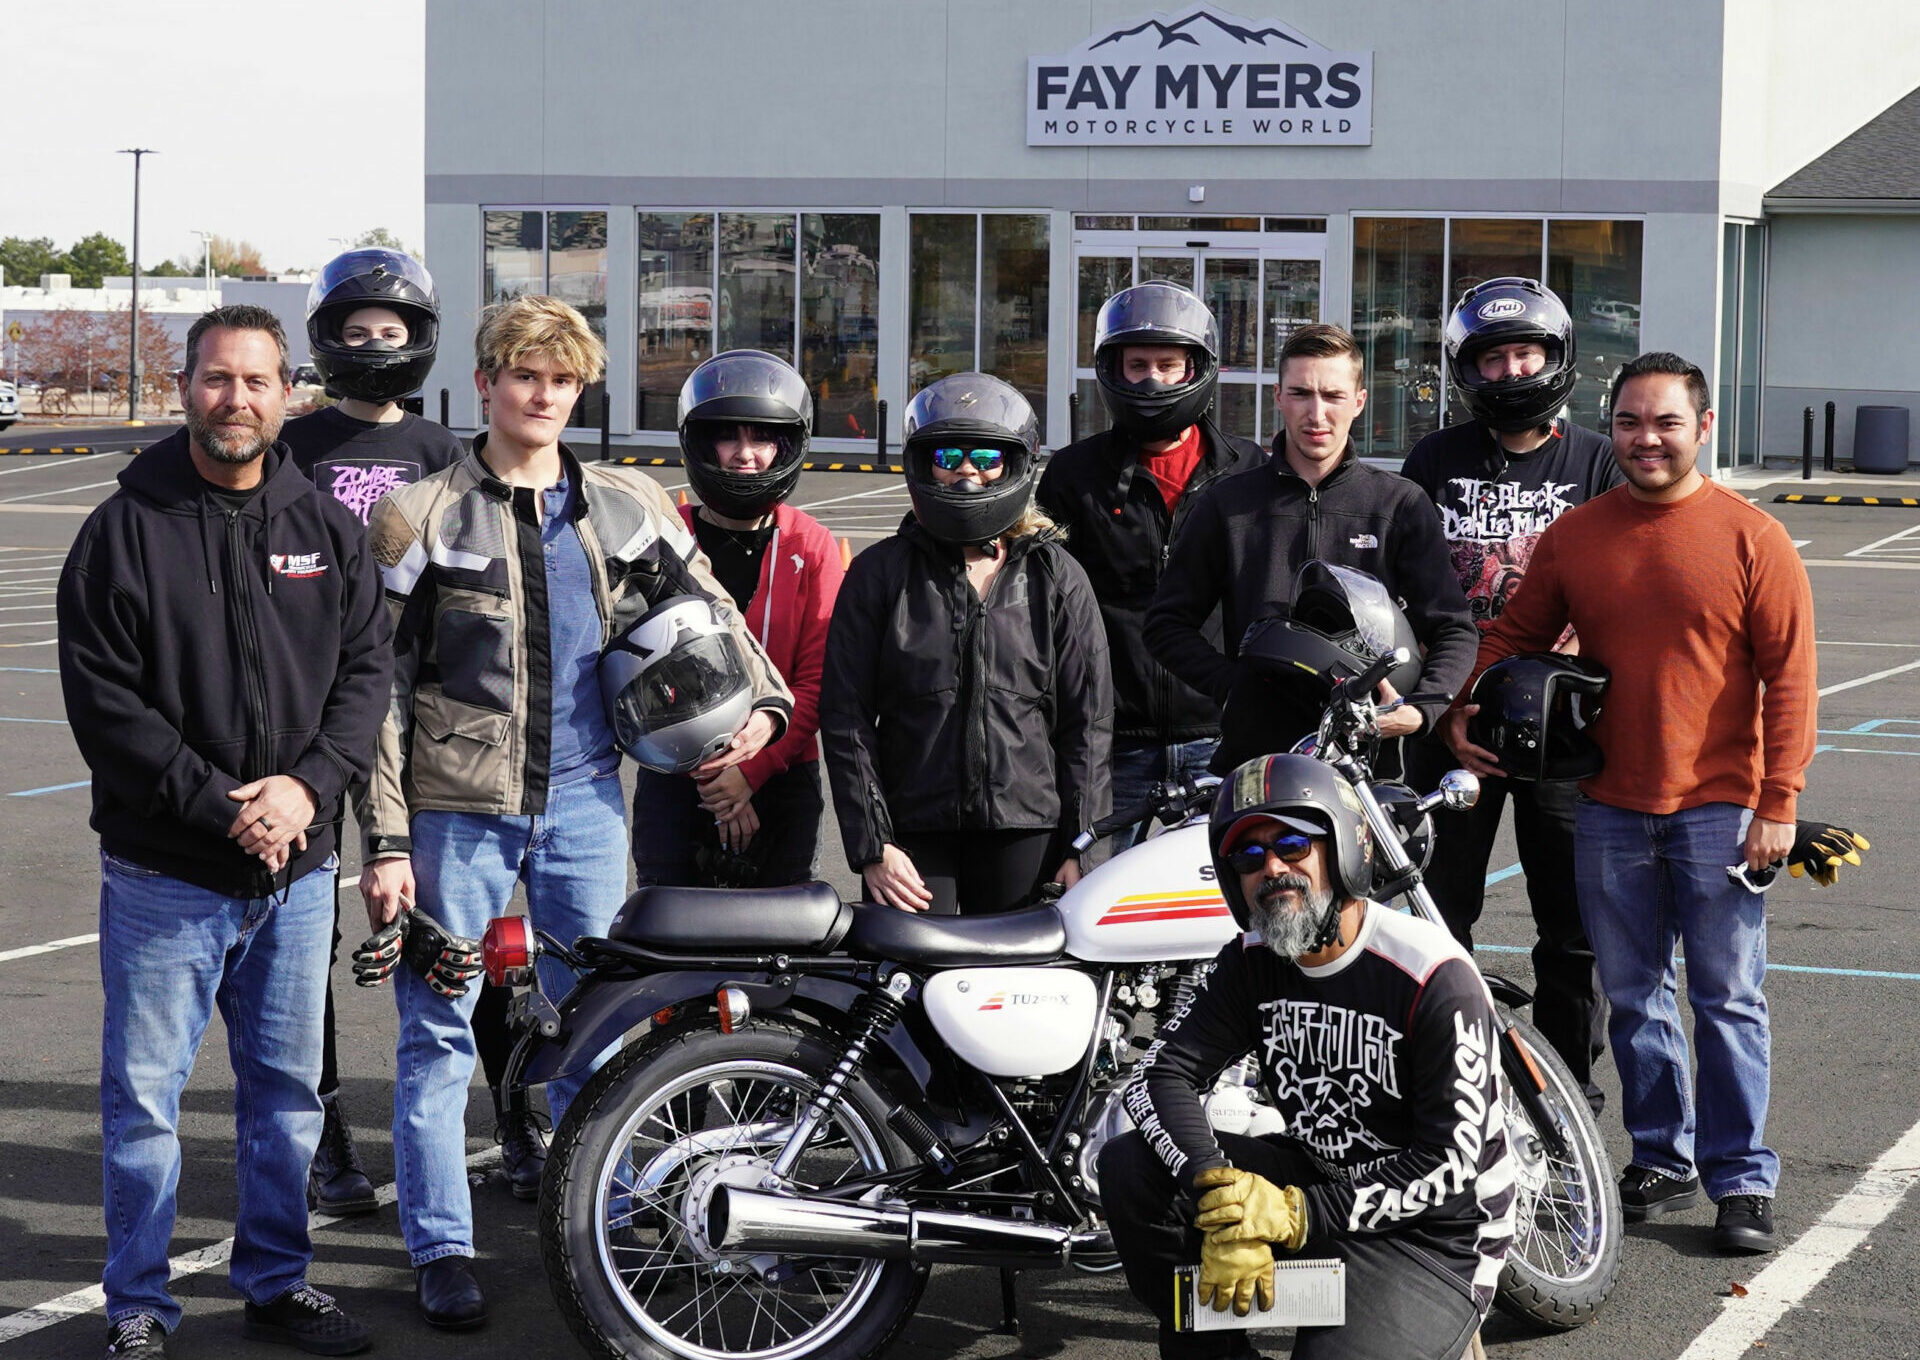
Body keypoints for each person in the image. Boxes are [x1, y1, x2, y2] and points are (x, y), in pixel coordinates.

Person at [356, 295, 793, 1329]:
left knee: (601, 1030)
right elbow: (375, 691)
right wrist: (382, 840)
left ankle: (603, 1205)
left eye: (559, 377)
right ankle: (443, 1248)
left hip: (591, 805)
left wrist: (763, 707)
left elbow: (714, 618)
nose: (541, 392)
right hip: (454, 816)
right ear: (488, 383)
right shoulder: (418, 515)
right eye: (522, 373)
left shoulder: (623, 505)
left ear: (579, 387)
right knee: (437, 1035)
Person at [58, 304, 387, 1358]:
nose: (234, 399)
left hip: (296, 874)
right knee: (147, 1103)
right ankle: (139, 1306)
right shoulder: (125, 526)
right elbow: (107, 704)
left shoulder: (325, 528)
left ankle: (278, 1283)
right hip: (167, 874)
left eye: (255, 381)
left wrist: (307, 789)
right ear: (186, 388)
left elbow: (365, 673)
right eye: (214, 379)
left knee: (286, 1098)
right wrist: (222, 805)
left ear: (289, 392)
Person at [1440, 351, 1818, 1254]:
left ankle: (1741, 1179)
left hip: (1721, 807)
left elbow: (1793, 680)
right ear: (1609, 429)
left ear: (1704, 428)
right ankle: (1660, 1155)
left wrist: (1781, 802)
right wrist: (1462, 704)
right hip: (1608, 802)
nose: (1647, 440)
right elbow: (1515, 632)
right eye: (1630, 423)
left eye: (1666, 423)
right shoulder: (1578, 533)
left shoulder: (1751, 538)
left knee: (1728, 1000)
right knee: (1636, 996)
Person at [278, 247, 555, 1211]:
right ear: (326, 340)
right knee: (304, 941)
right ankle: (328, 1143)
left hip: (418, 729)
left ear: (422, 343)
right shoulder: (295, 447)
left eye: (391, 334)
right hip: (304, 721)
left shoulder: (445, 454)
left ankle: (517, 1118)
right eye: (355, 333)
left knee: (455, 943)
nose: (373, 347)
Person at [1099, 754, 1512, 1360]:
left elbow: (1450, 1165)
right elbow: (1159, 1075)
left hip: (1432, 1235)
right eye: (1248, 856)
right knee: (1132, 1167)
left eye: (1293, 845)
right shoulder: (1251, 960)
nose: (1272, 868)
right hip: (1322, 1183)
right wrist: (1217, 1191)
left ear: (1343, 849)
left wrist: (1293, 1215)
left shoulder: (1431, 974)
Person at [1400, 277, 1621, 1112]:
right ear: (1468, 368)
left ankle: (1565, 1082)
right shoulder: (1436, 459)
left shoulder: (1596, 459)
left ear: (1557, 357)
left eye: (1525, 351)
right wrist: (1447, 706)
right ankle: (1450, 1068)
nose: (1512, 368)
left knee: (1569, 922)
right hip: (1452, 715)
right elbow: (1413, 589)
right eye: (1494, 356)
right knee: (1435, 907)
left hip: (1562, 722)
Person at [821, 373, 1112, 915]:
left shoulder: (1056, 576)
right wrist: (871, 845)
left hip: (1028, 828)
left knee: (1013, 988)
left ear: (1015, 464)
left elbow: (1087, 724)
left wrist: (1084, 845)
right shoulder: (878, 574)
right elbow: (846, 718)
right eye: (949, 454)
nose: (967, 472)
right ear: (923, 462)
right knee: (907, 984)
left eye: (986, 457)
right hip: (911, 833)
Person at [1144, 323, 1477, 775]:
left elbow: (1454, 629)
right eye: (1301, 393)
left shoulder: (1399, 504)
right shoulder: (1227, 503)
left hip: (1365, 769)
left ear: (1359, 402)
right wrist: (1233, 685)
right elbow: (1166, 625)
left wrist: (1422, 710)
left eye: (1333, 396)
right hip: (1254, 762)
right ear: (1279, 397)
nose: (1316, 414)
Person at [1037, 283, 1264, 846]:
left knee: (1220, 902)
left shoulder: (1249, 470)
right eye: (1137, 365)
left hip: (1221, 731)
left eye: (1169, 365)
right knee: (1104, 901)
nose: (1152, 381)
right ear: (1112, 369)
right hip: (1112, 738)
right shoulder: (1073, 474)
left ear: (1198, 370)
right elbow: (1048, 610)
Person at [631, 349, 843, 888]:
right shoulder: (665, 538)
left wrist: (750, 772)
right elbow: (634, 668)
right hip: (676, 779)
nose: (746, 455)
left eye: (763, 439)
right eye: (730, 438)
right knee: (672, 938)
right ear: (703, 443)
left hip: (783, 774)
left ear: (786, 447)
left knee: (779, 950)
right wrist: (716, 779)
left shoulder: (810, 545)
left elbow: (820, 682)